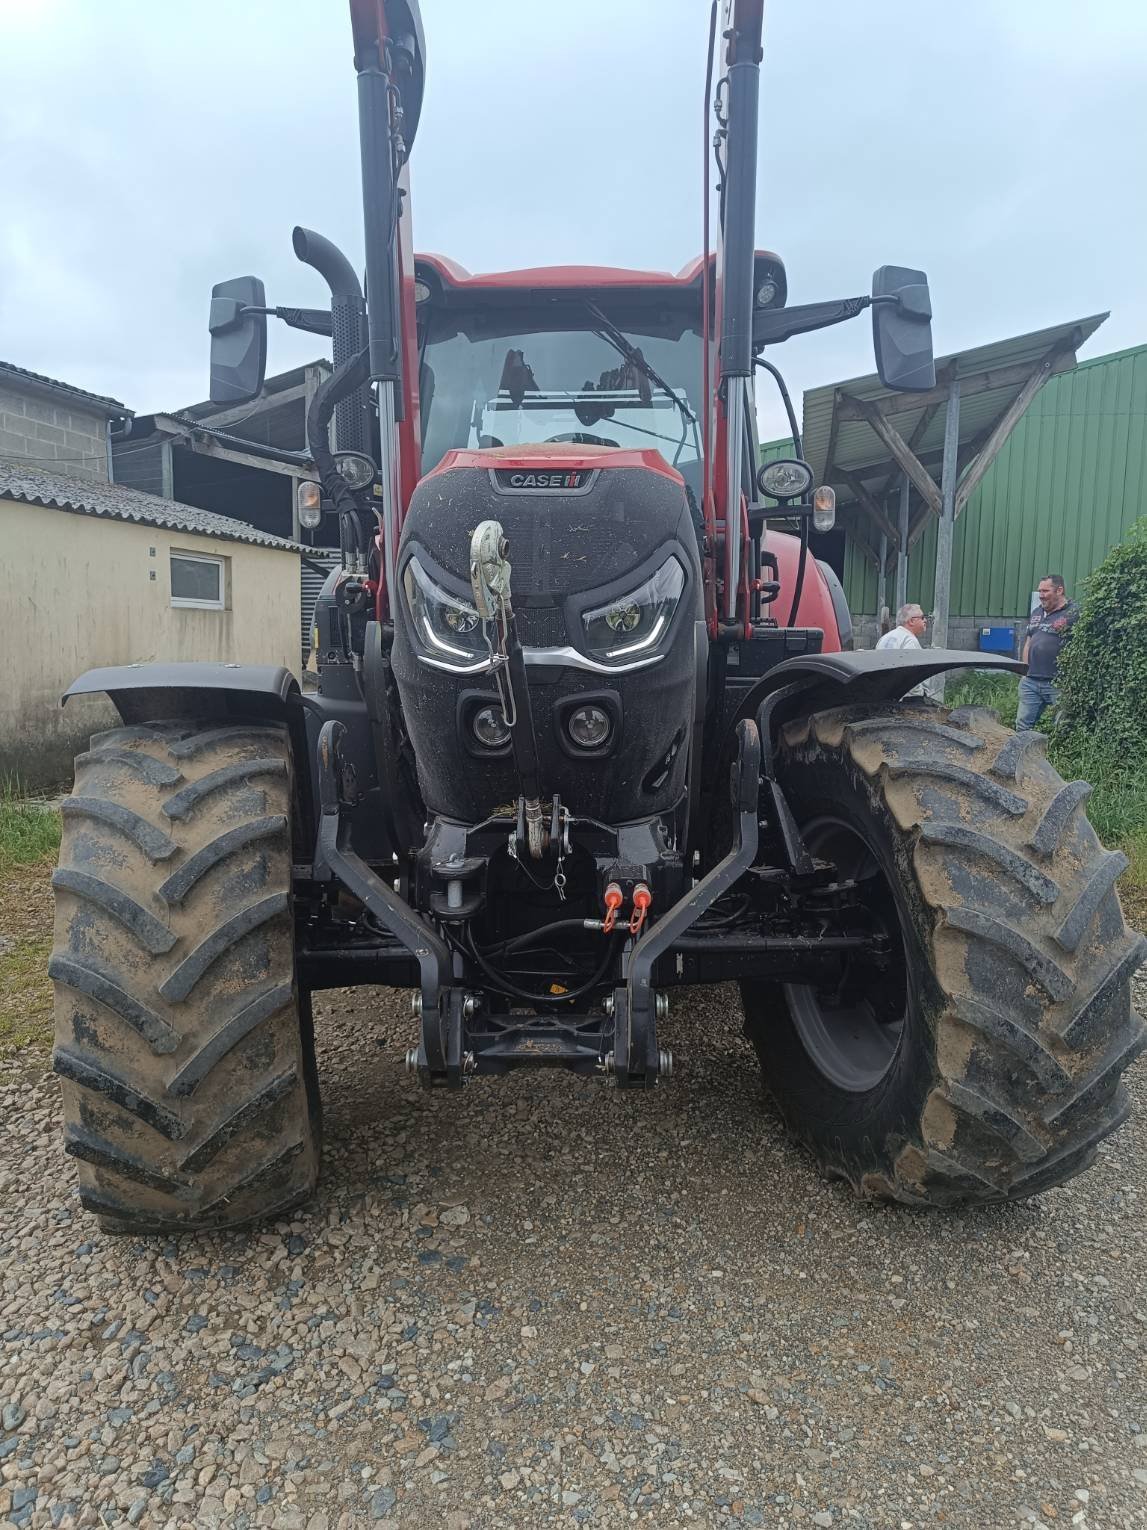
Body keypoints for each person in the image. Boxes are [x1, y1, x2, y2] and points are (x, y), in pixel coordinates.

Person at [1017, 573, 1079, 732]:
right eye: (1040, 591)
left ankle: (1057, 755)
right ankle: (1021, 754)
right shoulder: (1037, 612)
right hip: (1030, 681)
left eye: (1045, 591)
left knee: (1062, 727)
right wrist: (1024, 671)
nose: (1041, 596)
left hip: (1058, 682)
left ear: (1059, 590)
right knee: (1023, 725)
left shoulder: (1074, 613)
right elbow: (1029, 641)